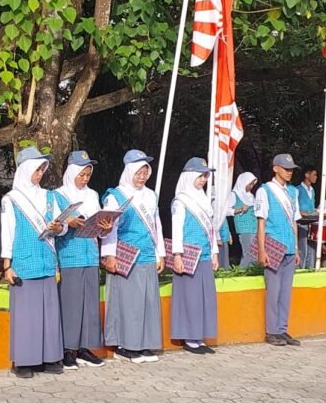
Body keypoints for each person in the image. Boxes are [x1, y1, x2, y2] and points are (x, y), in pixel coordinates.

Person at [0, 146, 67, 379]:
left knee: (49, 313)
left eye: (42, 170)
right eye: (36, 169)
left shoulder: (50, 196)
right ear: (26, 169)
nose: (40, 174)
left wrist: (59, 227)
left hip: (47, 261)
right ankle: (24, 361)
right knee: (26, 315)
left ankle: (50, 358)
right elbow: (7, 233)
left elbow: (62, 225)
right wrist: (7, 265)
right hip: (24, 262)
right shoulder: (12, 199)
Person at [100, 149, 166, 364]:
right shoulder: (115, 196)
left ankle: (145, 344)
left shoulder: (150, 194)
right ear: (129, 172)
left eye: (145, 172)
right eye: (139, 172)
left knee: (148, 302)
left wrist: (160, 254)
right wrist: (109, 256)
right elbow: (110, 228)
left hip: (147, 255)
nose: (143, 176)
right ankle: (126, 346)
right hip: (126, 257)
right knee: (128, 304)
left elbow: (157, 225)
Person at [56, 150, 112, 370]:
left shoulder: (92, 195)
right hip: (69, 255)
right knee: (71, 304)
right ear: (71, 172)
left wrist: (105, 228)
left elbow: (98, 224)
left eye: (88, 174)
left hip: (90, 254)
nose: (85, 178)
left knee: (89, 303)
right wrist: (68, 222)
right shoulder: (58, 195)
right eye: (81, 173)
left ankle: (85, 348)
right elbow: (55, 226)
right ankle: (68, 349)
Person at [170, 158, 219, 354]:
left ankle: (199, 336)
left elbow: (212, 229)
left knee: (204, 297)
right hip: (189, 255)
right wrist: (177, 255)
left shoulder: (204, 198)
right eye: (200, 175)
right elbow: (177, 229)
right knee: (189, 297)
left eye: (205, 175)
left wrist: (214, 252)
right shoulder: (180, 200)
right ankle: (189, 338)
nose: (203, 179)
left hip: (205, 254)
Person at [256, 154, 301, 347]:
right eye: (285, 168)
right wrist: (261, 249)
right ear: (276, 169)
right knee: (273, 291)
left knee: (285, 292)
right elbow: (261, 222)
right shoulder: (265, 190)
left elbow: (294, 221)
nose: (289, 172)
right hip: (273, 245)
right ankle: (272, 331)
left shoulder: (293, 192)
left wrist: (297, 248)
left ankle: (283, 329)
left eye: (291, 169)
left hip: (290, 246)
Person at [230, 172, 258, 268]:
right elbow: (226, 210)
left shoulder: (251, 196)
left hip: (254, 226)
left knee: (255, 253)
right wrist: (240, 209)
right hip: (244, 227)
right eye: (250, 184)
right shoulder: (234, 195)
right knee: (248, 252)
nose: (251, 186)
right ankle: (241, 272)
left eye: (253, 184)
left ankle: (253, 272)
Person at [294, 166, 317, 269]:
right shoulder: (297, 190)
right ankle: (300, 268)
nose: (316, 177)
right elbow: (293, 205)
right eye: (314, 175)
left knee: (312, 246)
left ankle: (310, 267)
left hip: (311, 221)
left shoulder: (312, 190)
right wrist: (299, 212)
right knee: (302, 247)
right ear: (307, 175)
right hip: (301, 222)